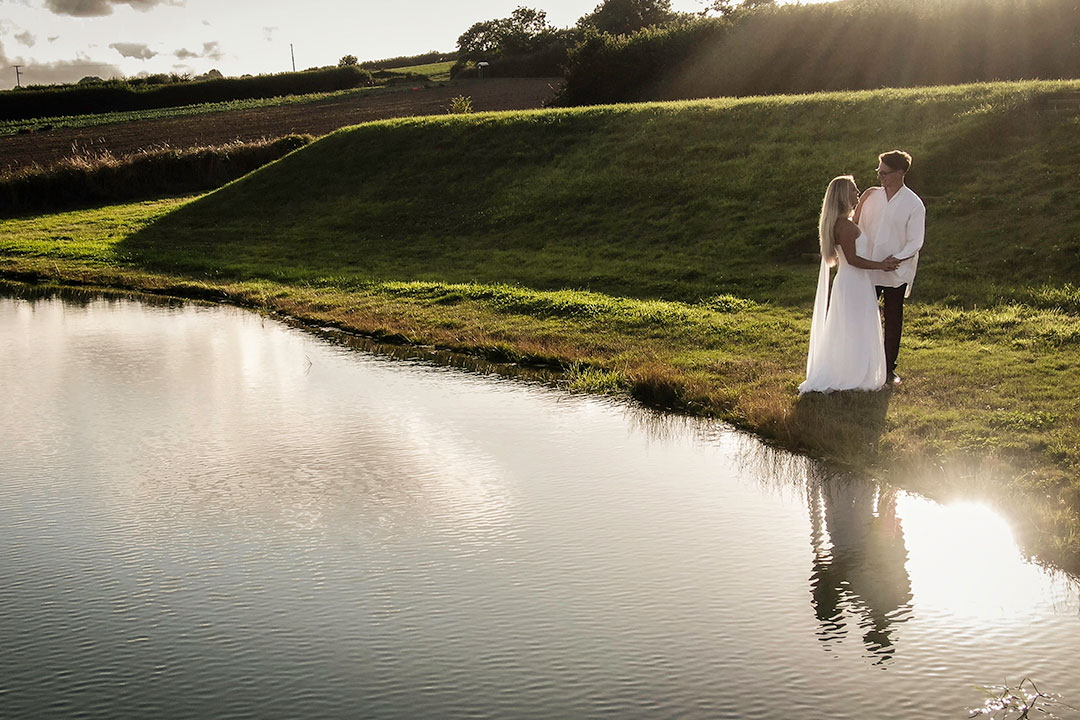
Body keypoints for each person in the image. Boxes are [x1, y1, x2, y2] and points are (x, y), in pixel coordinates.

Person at [799, 176, 900, 395]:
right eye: (854, 191)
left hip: (852, 282)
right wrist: (881, 265)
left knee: (852, 327)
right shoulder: (844, 227)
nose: (858, 192)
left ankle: (854, 368)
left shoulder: (843, 223)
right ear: (845, 195)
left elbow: (856, 224)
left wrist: (863, 199)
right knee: (855, 326)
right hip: (854, 282)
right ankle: (855, 373)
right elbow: (853, 259)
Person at [854, 150, 925, 385]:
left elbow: (915, 241)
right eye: (878, 171)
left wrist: (896, 259)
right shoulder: (872, 196)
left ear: (900, 173)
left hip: (896, 270)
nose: (879, 176)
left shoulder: (913, 203)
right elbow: (858, 227)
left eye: (884, 172)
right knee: (864, 316)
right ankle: (862, 363)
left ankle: (888, 369)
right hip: (869, 267)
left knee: (893, 318)